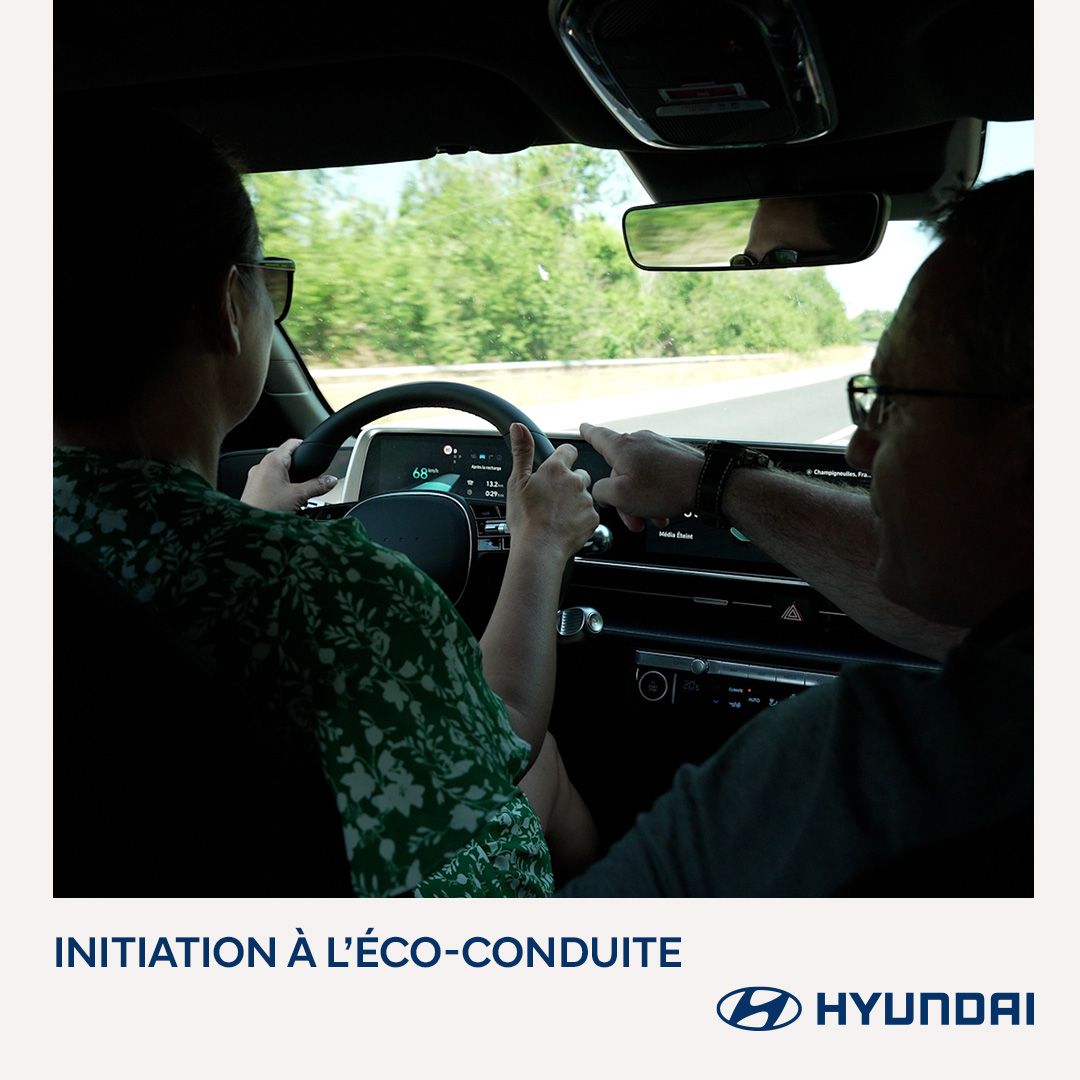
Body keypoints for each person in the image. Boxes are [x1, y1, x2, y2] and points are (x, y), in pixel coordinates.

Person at [53, 105, 600, 897]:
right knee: (540, 764)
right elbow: (503, 732)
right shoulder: (335, 586)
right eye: (266, 282)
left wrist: (248, 523)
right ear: (227, 307)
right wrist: (542, 542)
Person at [563, 171, 1033, 896]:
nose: (859, 451)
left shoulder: (867, 766)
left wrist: (537, 547)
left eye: (891, 402)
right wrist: (712, 483)